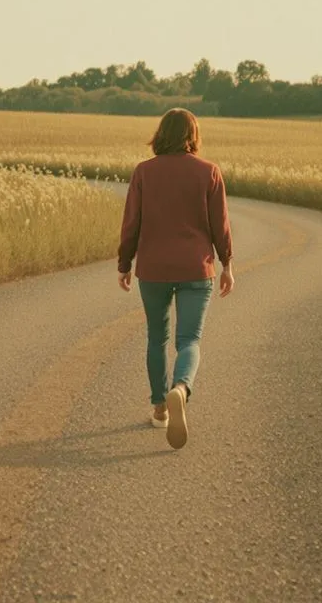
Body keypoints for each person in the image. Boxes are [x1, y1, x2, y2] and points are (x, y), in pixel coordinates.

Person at [117, 108, 234, 450]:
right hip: (196, 268)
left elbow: (131, 222)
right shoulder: (209, 172)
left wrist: (124, 263)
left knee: (156, 339)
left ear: (161, 133)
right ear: (193, 135)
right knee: (189, 340)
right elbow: (220, 225)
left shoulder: (143, 172)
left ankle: (160, 409)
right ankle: (181, 389)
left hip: (153, 268)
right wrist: (227, 263)